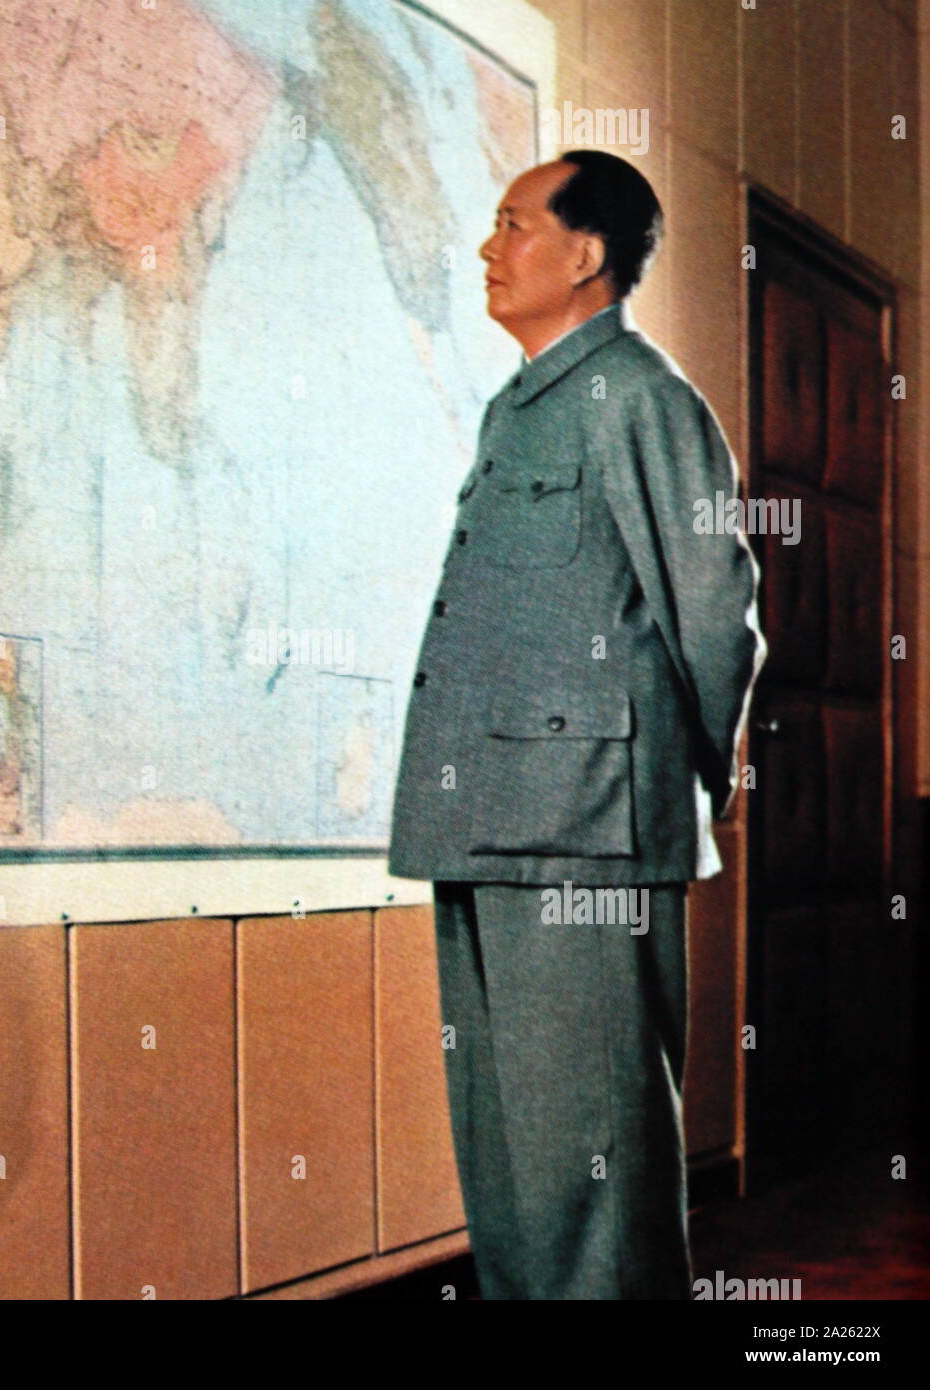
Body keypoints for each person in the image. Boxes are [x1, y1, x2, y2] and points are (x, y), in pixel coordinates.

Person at [387, 150, 767, 1299]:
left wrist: (678, 786)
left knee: (592, 1172)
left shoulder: (640, 397)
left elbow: (713, 607)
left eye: (511, 225)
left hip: (585, 836)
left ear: (585, 255)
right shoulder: (522, 406)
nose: (486, 249)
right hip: (485, 826)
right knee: (512, 1169)